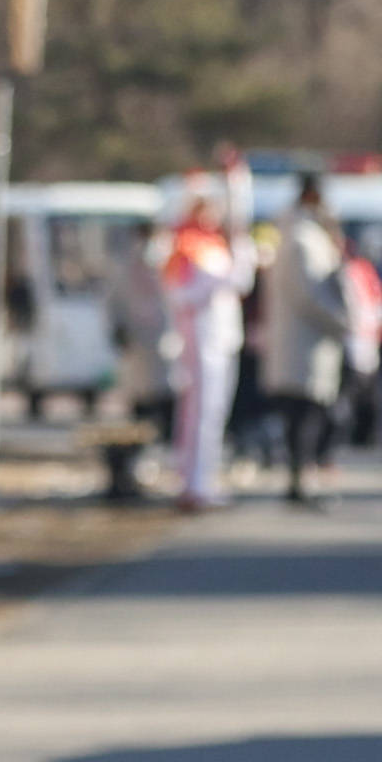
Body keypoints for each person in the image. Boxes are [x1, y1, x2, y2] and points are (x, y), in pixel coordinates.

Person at [160, 161, 254, 511]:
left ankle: (203, 479)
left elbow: (242, 280)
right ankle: (193, 484)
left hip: (224, 337)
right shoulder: (183, 244)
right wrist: (209, 288)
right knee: (198, 413)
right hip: (199, 340)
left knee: (213, 414)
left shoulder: (216, 243)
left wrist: (239, 187)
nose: (213, 211)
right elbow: (176, 295)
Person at [261, 174, 348, 508]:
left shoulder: (302, 234)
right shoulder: (301, 238)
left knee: (307, 417)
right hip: (303, 344)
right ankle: (300, 483)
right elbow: (309, 295)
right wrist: (341, 320)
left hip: (305, 343)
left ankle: (302, 480)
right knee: (303, 418)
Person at [341, 238, 382, 454]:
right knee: (365, 388)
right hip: (367, 336)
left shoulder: (351, 271)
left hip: (357, 336)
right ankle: (365, 434)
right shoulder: (365, 270)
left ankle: (361, 433)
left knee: (356, 389)